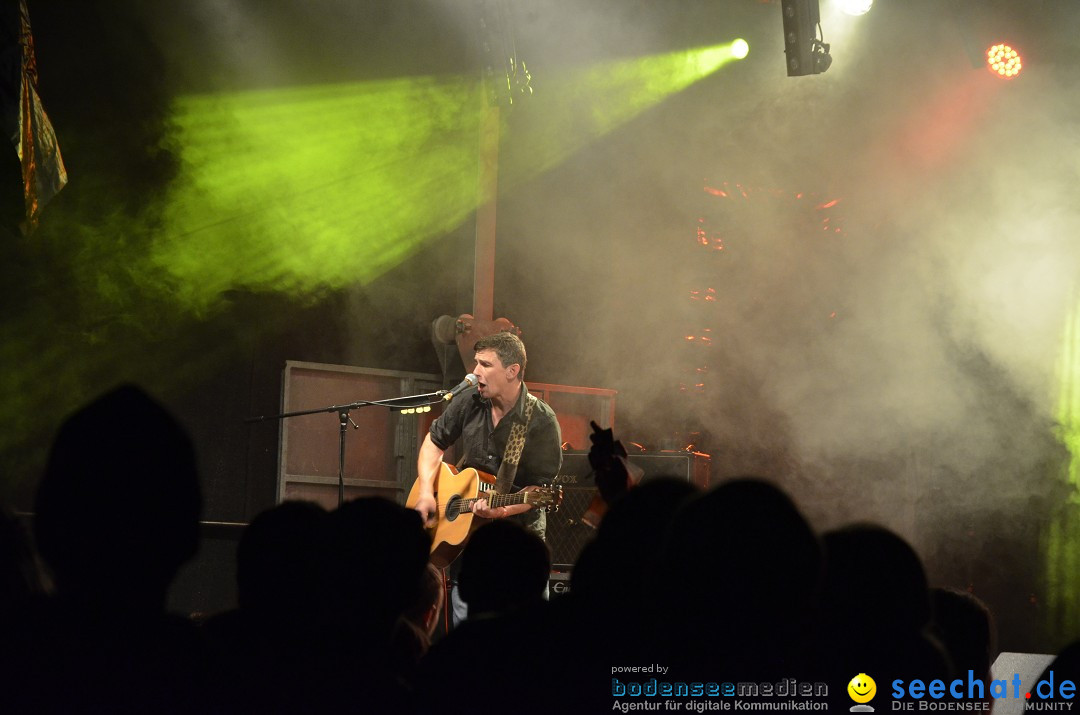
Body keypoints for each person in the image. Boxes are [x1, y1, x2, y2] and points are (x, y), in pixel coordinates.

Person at [411, 331, 562, 625]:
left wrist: (504, 509)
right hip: (468, 542)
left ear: (512, 371)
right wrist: (428, 492)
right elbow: (433, 442)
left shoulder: (541, 421)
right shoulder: (468, 401)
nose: (475, 372)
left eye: (485, 364)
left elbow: (541, 489)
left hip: (520, 543)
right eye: (476, 363)